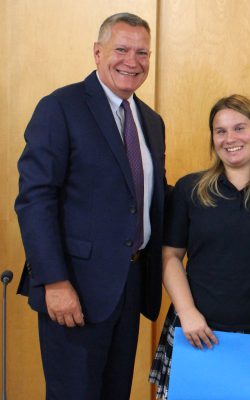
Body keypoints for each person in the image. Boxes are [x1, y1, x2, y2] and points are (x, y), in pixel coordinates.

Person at [14, 13, 166, 400]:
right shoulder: (60, 107)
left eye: (142, 52)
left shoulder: (150, 121)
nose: (132, 61)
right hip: (74, 289)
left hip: (129, 287)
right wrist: (54, 280)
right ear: (97, 53)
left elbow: (148, 195)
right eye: (121, 49)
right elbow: (35, 199)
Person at [149, 95, 250, 400]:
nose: (230, 139)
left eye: (239, 128)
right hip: (198, 333)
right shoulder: (191, 189)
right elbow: (170, 257)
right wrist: (187, 312)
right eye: (220, 131)